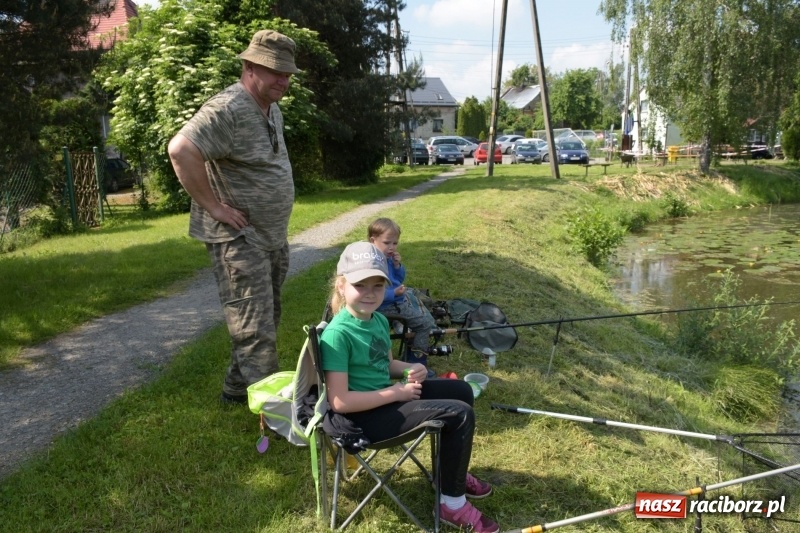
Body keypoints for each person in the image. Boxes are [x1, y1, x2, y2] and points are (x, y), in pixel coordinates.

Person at [319, 241, 499, 533]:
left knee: (462, 392)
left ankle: (449, 475)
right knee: (460, 413)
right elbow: (339, 402)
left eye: (378, 286)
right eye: (360, 285)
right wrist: (397, 393)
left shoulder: (376, 319)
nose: (370, 293)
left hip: (385, 403)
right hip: (362, 420)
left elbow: (384, 364)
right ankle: (451, 504)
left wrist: (410, 368)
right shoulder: (337, 335)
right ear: (341, 286)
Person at [167, 30, 300, 405]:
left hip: (270, 236)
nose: (283, 80)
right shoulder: (228, 108)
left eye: (288, 73)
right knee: (256, 330)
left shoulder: (271, 107)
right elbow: (181, 150)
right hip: (239, 241)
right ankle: (275, 415)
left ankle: (235, 393)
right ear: (250, 66)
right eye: (275, 71)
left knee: (262, 320)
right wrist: (214, 207)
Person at [367, 218, 437, 367]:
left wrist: (398, 266)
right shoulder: (373, 264)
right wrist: (394, 294)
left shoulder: (386, 258)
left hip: (395, 301)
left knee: (412, 299)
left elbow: (398, 279)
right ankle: (417, 362)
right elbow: (371, 293)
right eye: (387, 243)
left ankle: (403, 330)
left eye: (395, 243)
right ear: (373, 240)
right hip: (387, 306)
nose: (392, 247)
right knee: (425, 324)